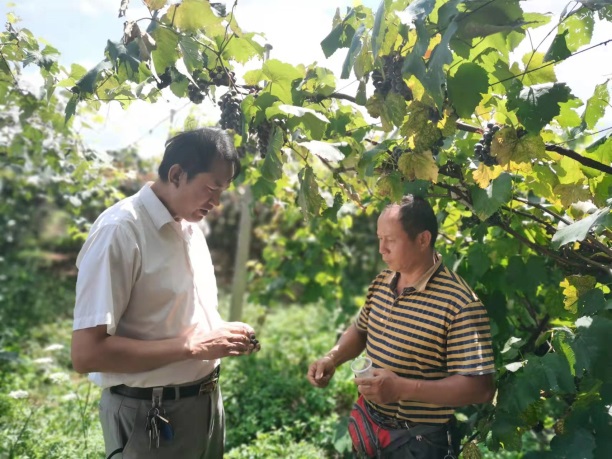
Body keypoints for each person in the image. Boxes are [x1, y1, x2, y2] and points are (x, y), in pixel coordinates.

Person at [71, 128, 259, 459]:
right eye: (211, 188)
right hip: (149, 415)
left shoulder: (191, 227)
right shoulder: (120, 231)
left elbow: (172, 316)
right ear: (176, 175)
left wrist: (219, 332)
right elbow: (87, 354)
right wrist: (192, 347)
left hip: (205, 404)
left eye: (223, 191)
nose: (216, 202)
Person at [308, 195, 495, 458]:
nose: (381, 249)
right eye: (379, 239)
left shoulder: (459, 303)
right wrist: (332, 358)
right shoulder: (383, 281)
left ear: (423, 239)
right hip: (371, 425)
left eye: (391, 240)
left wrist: (402, 389)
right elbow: (361, 329)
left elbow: (480, 388)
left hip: (420, 442)